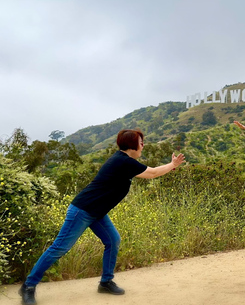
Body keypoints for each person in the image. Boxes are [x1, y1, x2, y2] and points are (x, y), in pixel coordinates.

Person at [19, 129, 186, 305]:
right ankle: (28, 286)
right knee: (59, 248)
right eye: (141, 142)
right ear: (131, 144)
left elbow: (148, 173)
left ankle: (106, 282)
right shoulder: (123, 161)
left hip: (97, 212)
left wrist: (171, 166)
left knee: (113, 240)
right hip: (82, 210)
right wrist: (173, 164)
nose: (143, 146)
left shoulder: (124, 162)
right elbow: (152, 173)